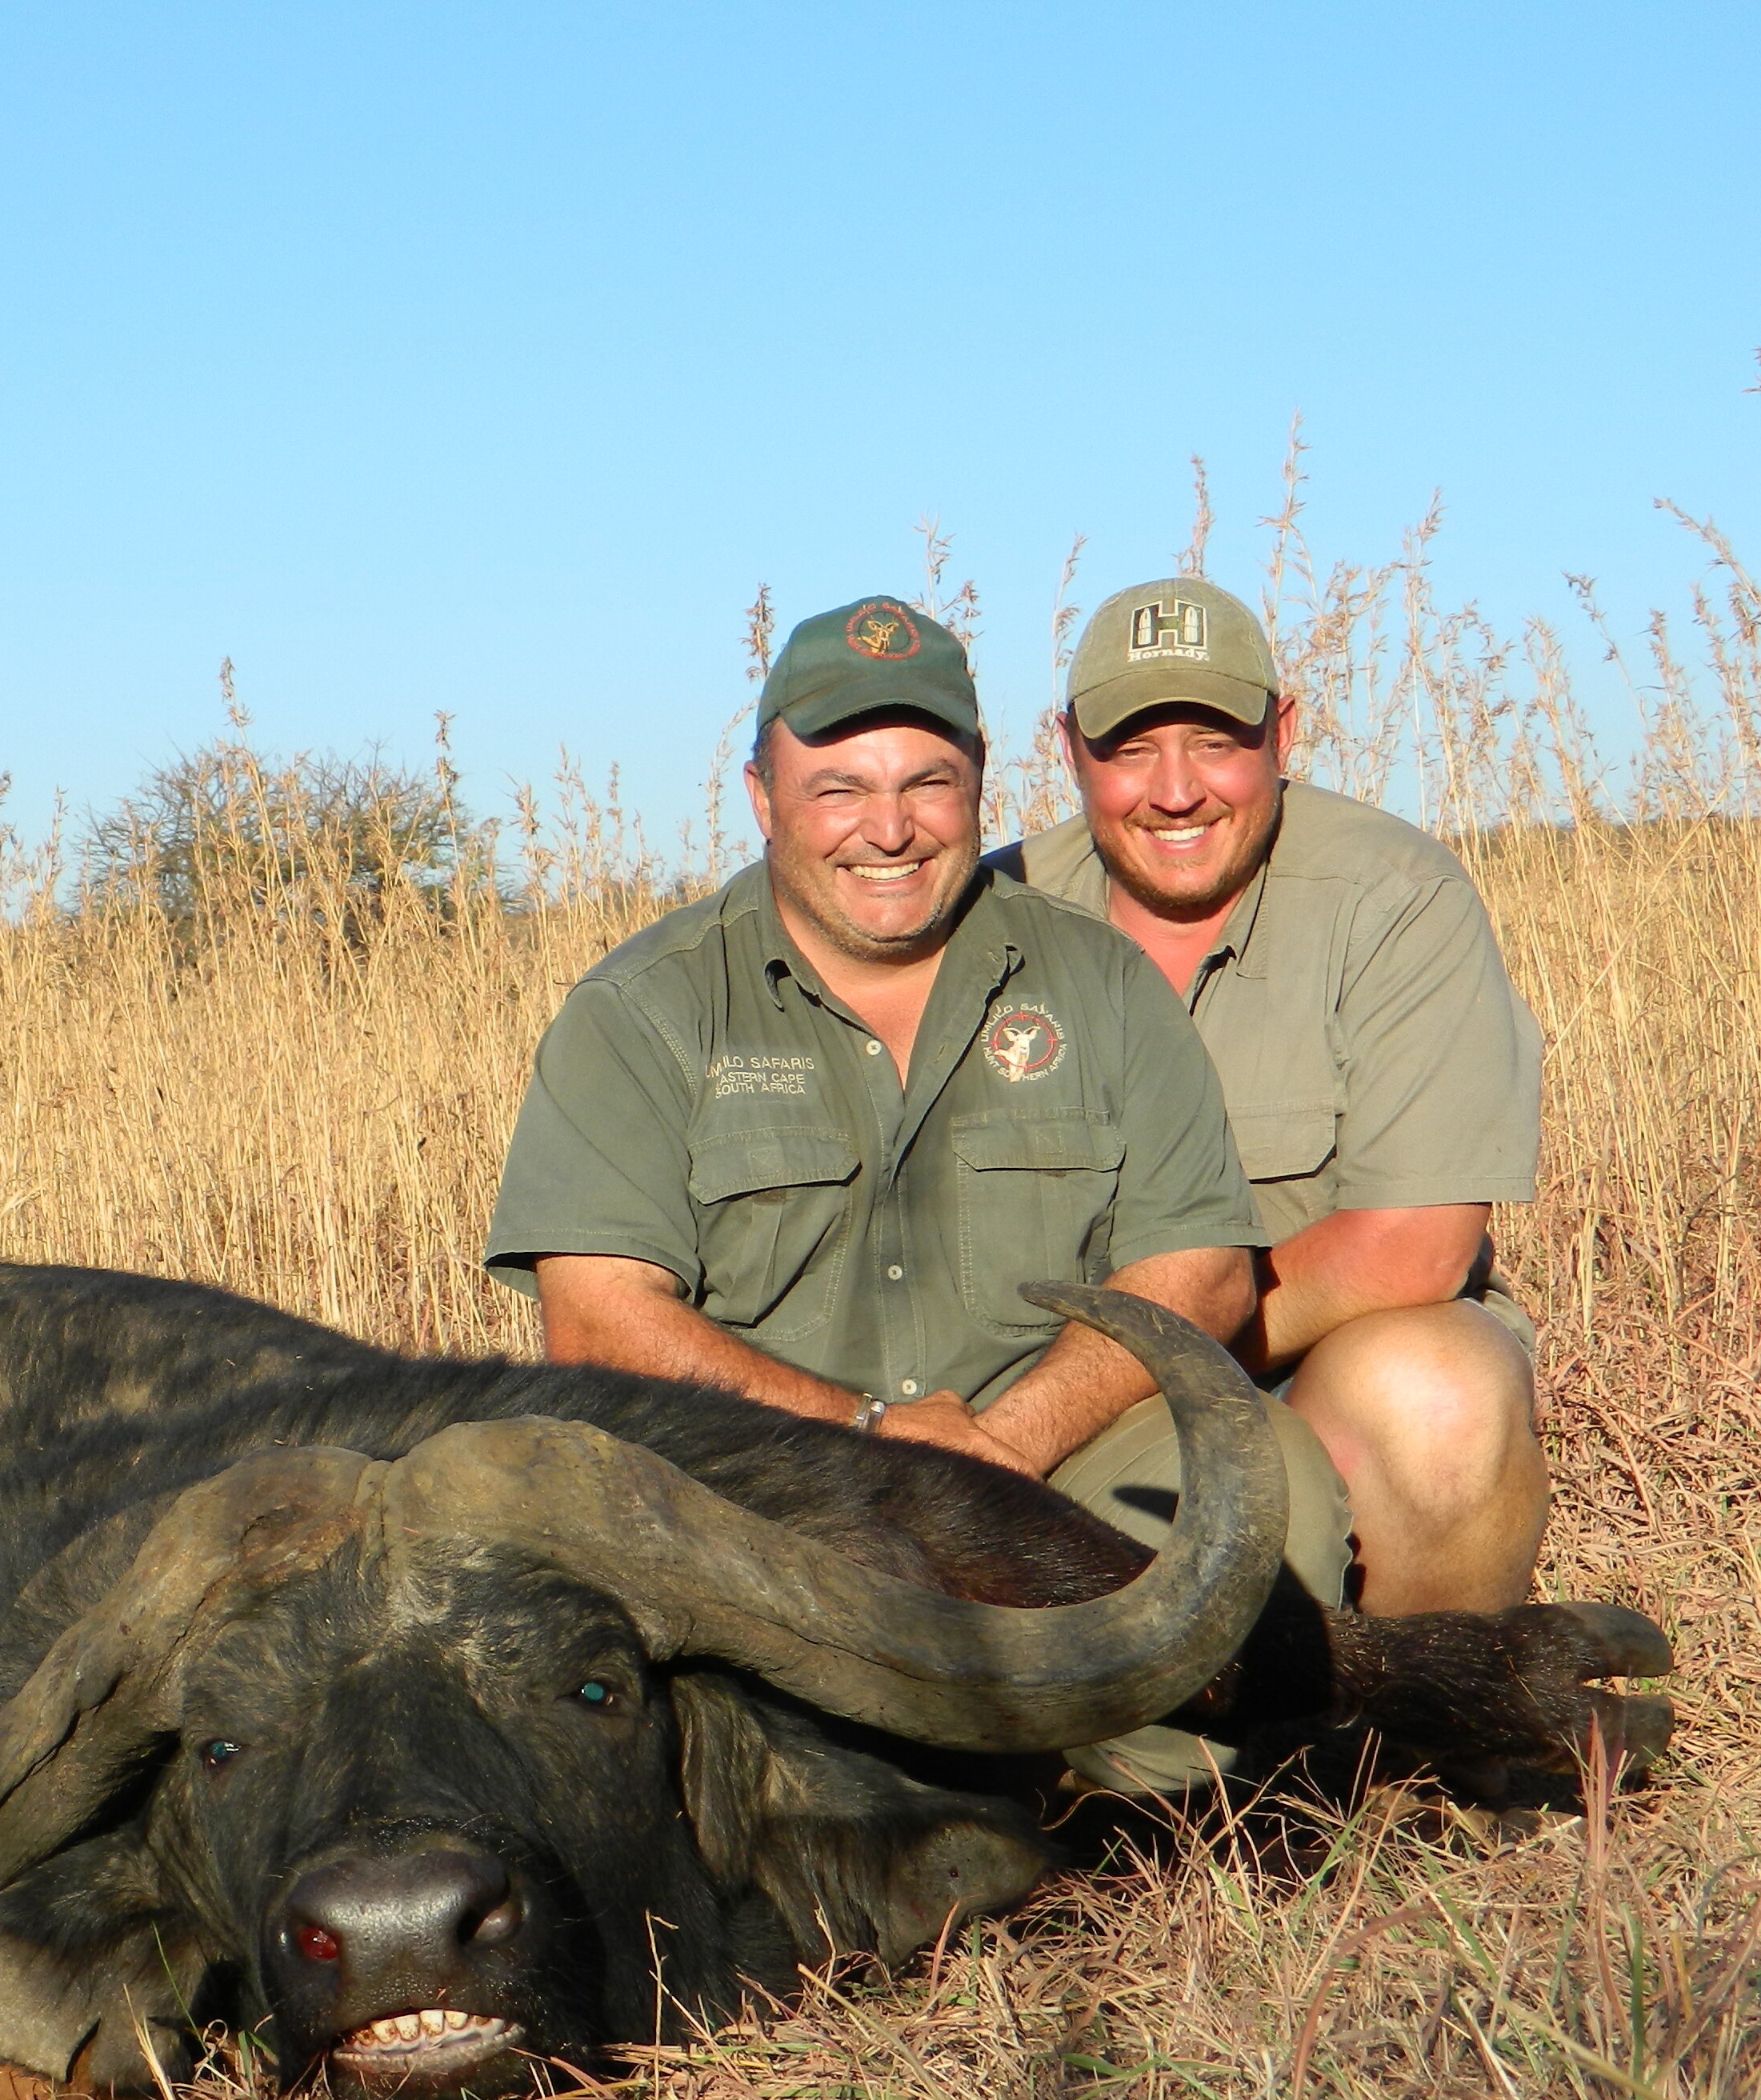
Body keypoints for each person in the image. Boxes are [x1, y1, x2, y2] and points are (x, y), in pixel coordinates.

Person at [484, 597, 1350, 1794]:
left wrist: (1009, 1444)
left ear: (982, 781)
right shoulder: (642, 1012)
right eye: (838, 787)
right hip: (767, 1490)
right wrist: (878, 1444)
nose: (887, 830)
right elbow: (597, 1322)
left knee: (1272, 1509)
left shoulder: (1099, 980)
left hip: (1049, 1460)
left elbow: (1197, 1271)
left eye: (927, 783)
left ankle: (1133, 1814)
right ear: (760, 795)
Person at [991, 577, 1547, 1612]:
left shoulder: (1395, 895)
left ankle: (1417, 1732)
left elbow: (1414, 1244)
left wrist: (1131, 1367)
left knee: (1437, 1392)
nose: (1176, 790)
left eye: (1214, 741)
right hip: (1058, 1381)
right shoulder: (994, 914)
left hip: (1299, 1353)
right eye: (1130, 750)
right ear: (1068, 750)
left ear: (1282, 731)